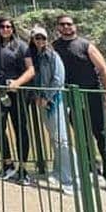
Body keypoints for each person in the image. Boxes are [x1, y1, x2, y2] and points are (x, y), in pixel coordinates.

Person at [53, 14, 106, 197]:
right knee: (82, 136)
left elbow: (103, 69)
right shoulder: (55, 47)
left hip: (92, 94)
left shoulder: (85, 45)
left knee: (102, 134)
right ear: (58, 27)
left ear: (74, 26)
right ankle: (93, 170)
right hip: (71, 97)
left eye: (69, 23)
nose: (66, 27)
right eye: (63, 24)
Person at [0, 16, 34, 184]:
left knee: (20, 128)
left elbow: (31, 70)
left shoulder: (21, 46)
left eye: (9, 26)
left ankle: (23, 168)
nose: (6, 29)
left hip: (17, 92)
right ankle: (7, 163)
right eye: (2, 26)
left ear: (13, 28)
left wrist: (18, 82)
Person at [29, 25, 76, 196]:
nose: (40, 40)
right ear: (33, 40)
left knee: (62, 139)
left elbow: (58, 79)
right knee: (55, 137)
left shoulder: (52, 55)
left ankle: (70, 178)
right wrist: (38, 97)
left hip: (55, 101)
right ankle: (58, 172)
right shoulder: (38, 57)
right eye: (37, 38)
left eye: (42, 37)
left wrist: (47, 97)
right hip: (44, 102)